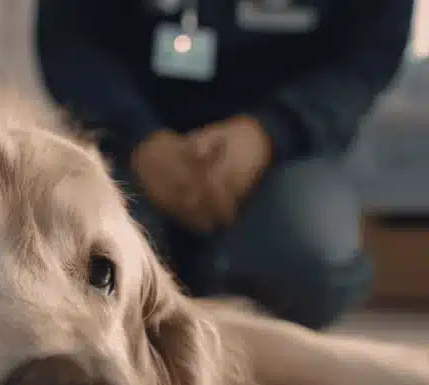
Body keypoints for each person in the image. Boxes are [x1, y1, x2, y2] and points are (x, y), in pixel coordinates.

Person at [36, 0, 415, 329]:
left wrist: (269, 133)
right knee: (75, 264)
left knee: (307, 271)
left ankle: (207, 283)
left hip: (288, 151)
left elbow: (367, 54)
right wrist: (138, 139)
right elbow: (69, 40)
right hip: (127, 145)